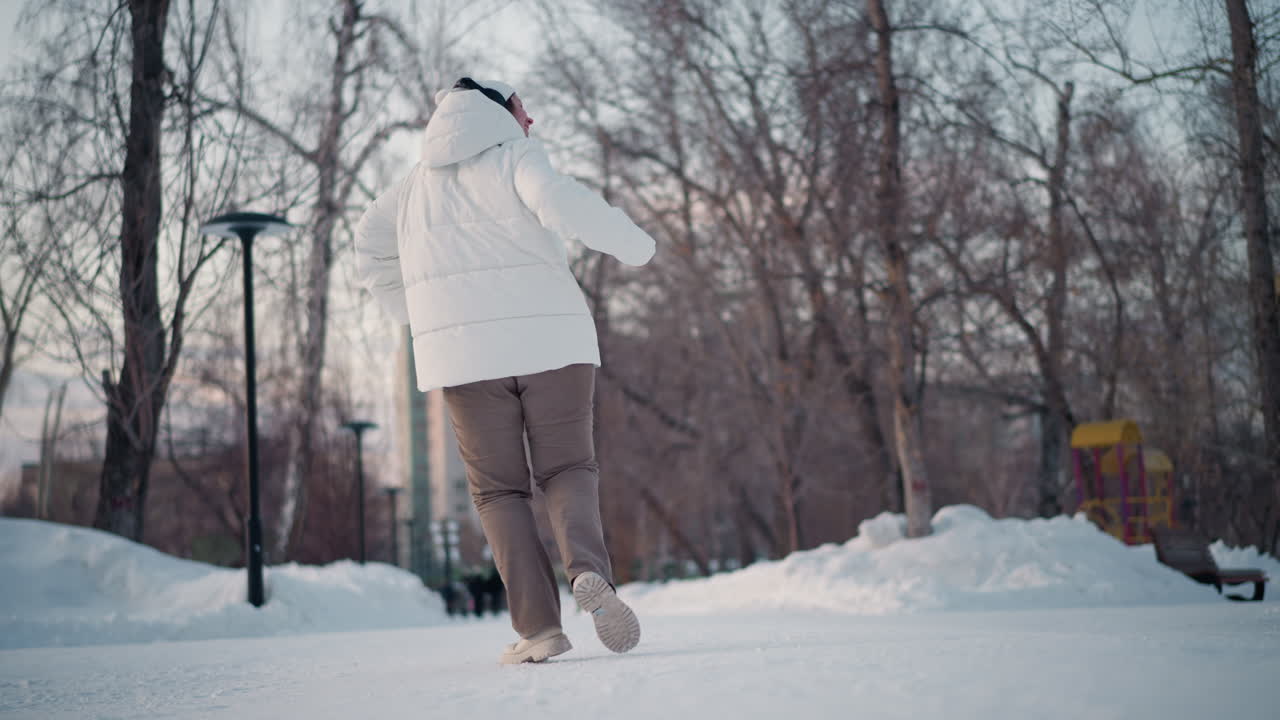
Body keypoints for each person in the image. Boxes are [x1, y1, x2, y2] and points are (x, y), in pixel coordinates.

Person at [353, 77, 654, 664]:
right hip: (553, 342)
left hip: (464, 359)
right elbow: (563, 202)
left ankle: (539, 629)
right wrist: (637, 246)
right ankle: (589, 575)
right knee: (568, 467)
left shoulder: (410, 187)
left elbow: (368, 248)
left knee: (498, 492)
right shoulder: (515, 156)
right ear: (499, 112)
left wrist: (419, 317)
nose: (531, 120)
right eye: (524, 109)